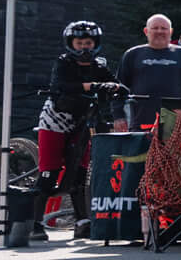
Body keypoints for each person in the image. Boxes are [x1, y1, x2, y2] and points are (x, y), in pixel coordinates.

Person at [30, 20, 118, 231]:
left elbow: (115, 82)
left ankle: (82, 221)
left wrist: (117, 87)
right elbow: (62, 85)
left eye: (88, 42)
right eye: (79, 43)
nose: (84, 47)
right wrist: (92, 86)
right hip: (56, 120)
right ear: (71, 44)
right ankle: (34, 222)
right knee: (49, 172)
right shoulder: (64, 63)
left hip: (82, 122)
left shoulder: (99, 65)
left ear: (95, 43)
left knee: (79, 171)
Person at [117, 13, 181, 130]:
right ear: (146, 31)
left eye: (164, 28)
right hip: (138, 122)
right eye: (155, 28)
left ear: (170, 32)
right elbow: (118, 89)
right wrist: (118, 116)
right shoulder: (132, 54)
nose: (159, 31)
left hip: (175, 124)